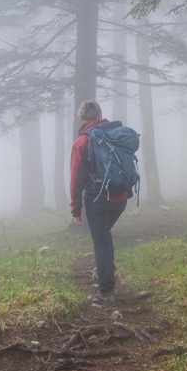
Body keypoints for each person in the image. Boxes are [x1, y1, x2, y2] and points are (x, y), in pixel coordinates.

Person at [70, 100, 129, 299]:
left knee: (101, 242)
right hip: (121, 198)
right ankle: (105, 274)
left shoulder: (81, 142)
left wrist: (75, 209)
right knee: (105, 237)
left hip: (98, 200)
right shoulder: (115, 134)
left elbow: (76, 180)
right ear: (100, 114)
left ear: (82, 118)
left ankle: (106, 291)